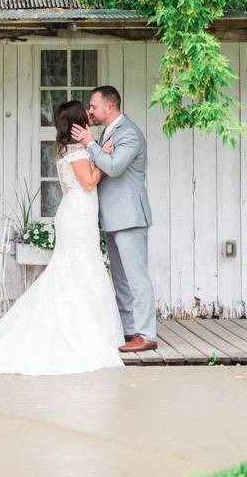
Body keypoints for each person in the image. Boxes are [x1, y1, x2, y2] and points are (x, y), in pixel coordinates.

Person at [0, 100, 124, 375]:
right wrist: (102, 155)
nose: (90, 115)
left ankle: (86, 326)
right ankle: (82, 331)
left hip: (78, 214)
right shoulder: (78, 153)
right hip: (78, 216)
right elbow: (89, 182)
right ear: (78, 122)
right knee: (79, 268)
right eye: (86, 113)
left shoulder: (67, 149)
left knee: (78, 269)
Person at [71, 86, 157, 352]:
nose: (91, 111)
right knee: (120, 278)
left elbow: (114, 167)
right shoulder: (109, 132)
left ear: (110, 106)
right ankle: (129, 330)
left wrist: (90, 144)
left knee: (136, 278)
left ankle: (146, 334)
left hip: (129, 217)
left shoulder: (129, 133)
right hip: (112, 217)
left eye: (94, 106)